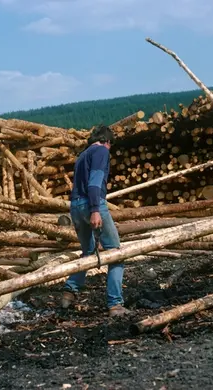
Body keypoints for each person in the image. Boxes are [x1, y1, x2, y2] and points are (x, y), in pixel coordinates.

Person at [59, 124, 129, 317]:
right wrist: (95, 210)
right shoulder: (101, 152)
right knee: (116, 253)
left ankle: (69, 291)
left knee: (88, 252)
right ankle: (115, 304)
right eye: (110, 145)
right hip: (92, 204)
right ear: (107, 141)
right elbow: (95, 182)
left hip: (75, 206)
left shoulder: (82, 155)